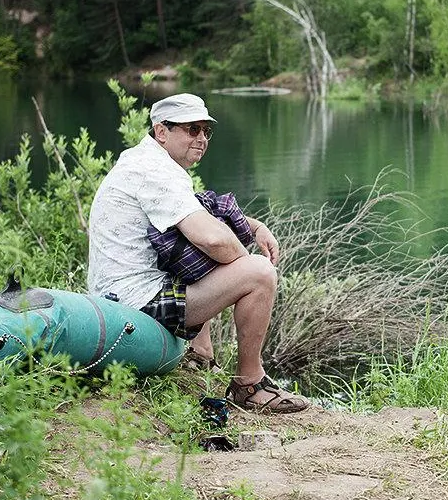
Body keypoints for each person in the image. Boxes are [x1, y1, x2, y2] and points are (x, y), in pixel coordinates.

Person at [87, 93, 309, 413]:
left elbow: (203, 211)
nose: (202, 138)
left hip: (119, 296)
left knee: (198, 256)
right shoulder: (154, 170)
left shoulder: (143, 160)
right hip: (134, 305)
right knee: (259, 273)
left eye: (206, 130)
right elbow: (213, 239)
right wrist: (243, 269)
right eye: (192, 129)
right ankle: (249, 384)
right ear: (162, 132)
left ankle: (201, 357)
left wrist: (254, 226)